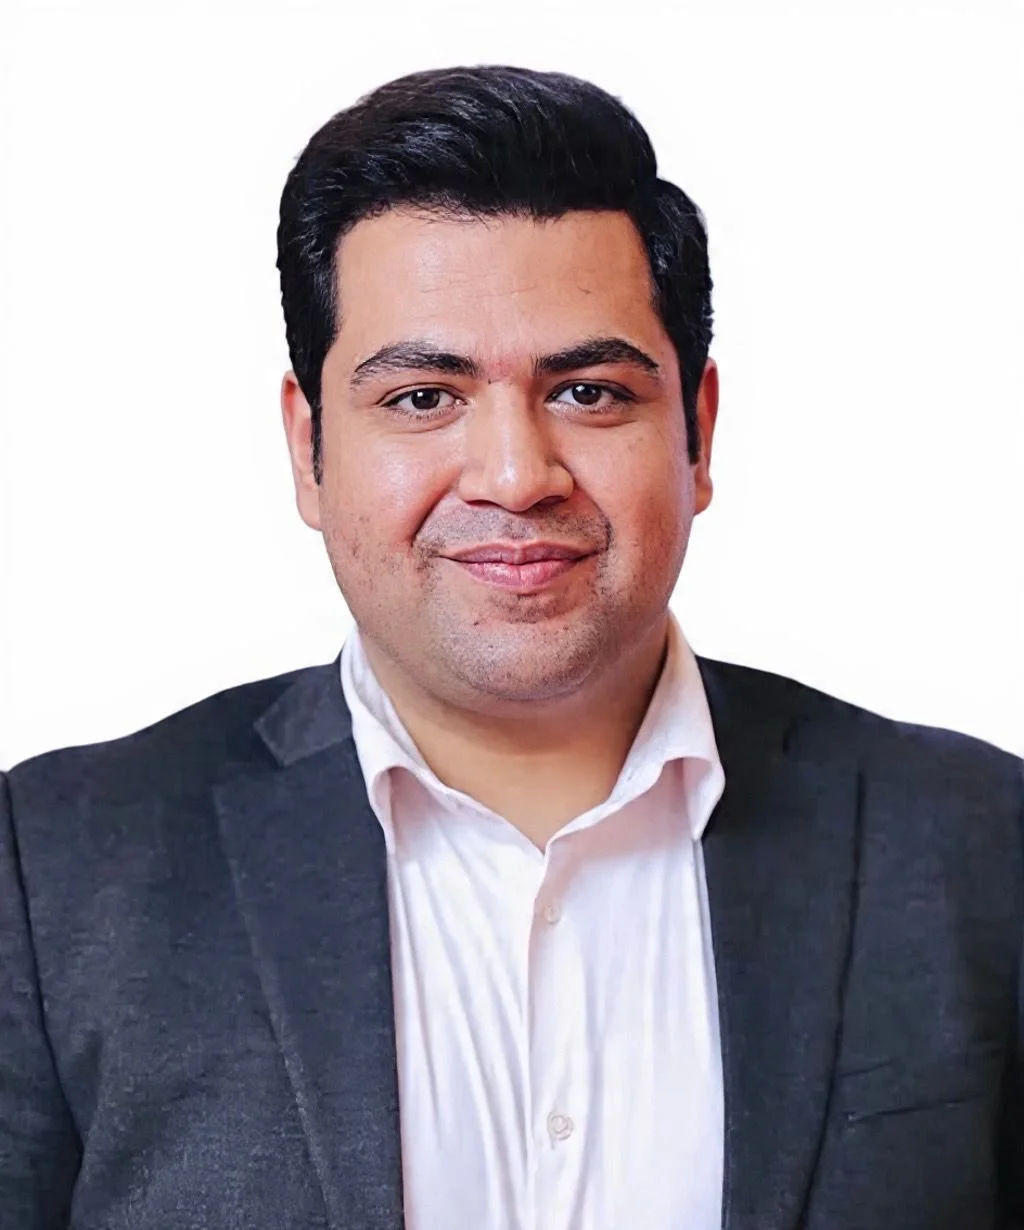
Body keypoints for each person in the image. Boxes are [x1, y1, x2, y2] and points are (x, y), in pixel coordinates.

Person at [1, 63, 1021, 1230]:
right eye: (423, 398)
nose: (514, 476)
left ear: (695, 432)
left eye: (587, 392)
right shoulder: (53, 874)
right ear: (307, 448)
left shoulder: (978, 846)